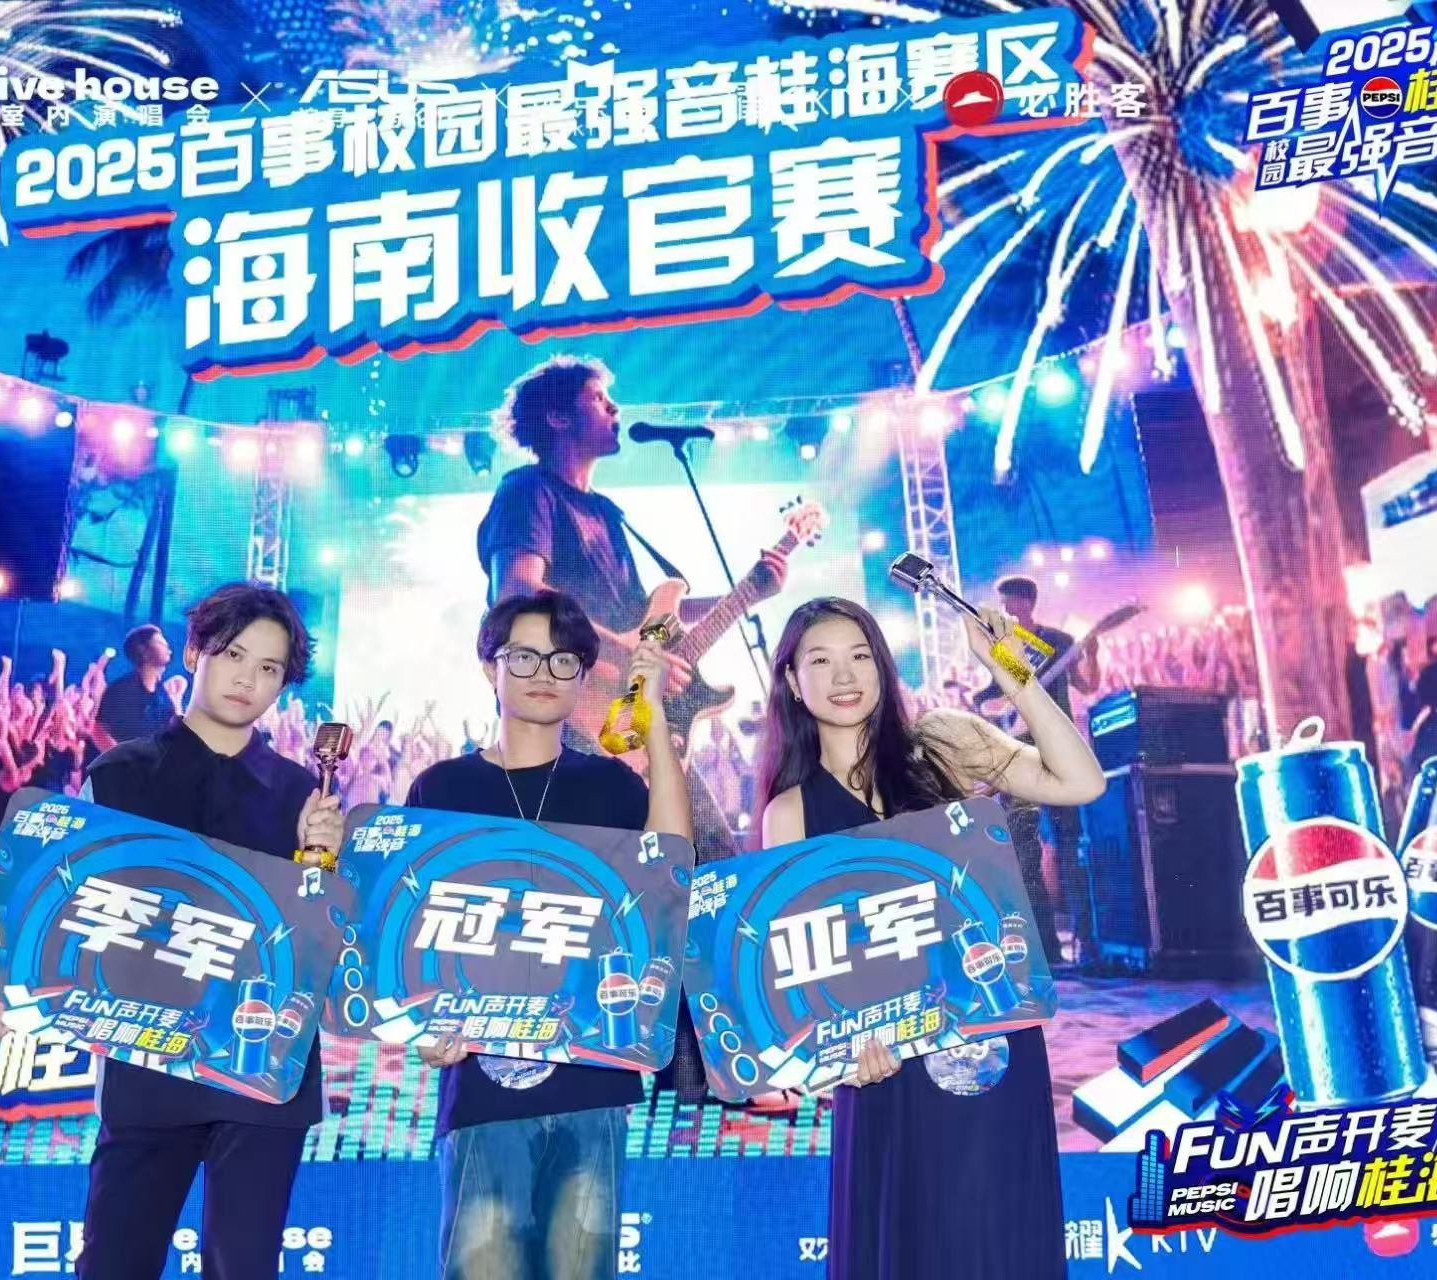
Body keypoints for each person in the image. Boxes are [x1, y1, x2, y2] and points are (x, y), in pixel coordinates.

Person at [0, 583, 345, 1280]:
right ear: (194, 652)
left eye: (268, 668)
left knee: (244, 1266)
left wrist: (325, 864)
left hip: (260, 1068)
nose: (246, 680)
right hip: (146, 1064)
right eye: (233, 655)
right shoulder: (120, 778)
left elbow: (319, 942)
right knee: (114, 1262)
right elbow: (55, 900)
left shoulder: (301, 797)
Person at [756, 596, 1105, 1280]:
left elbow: (1081, 781)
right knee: (911, 1246)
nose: (844, 676)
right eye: (820, 661)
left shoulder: (942, 744)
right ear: (793, 682)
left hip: (989, 1044)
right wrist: (838, 1060)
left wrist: (1009, 671)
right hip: (885, 1065)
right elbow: (802, 972)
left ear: (883, 667)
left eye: (860, 656)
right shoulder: (788, 812)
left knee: (997, 1241)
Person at [406, 590, 691, 1280]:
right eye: (524, 656)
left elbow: (670, 868)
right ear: (489, 667)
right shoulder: (440, 789)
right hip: (481, 1085)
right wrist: (420, 1026)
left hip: (595, 1082)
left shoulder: (611, 786)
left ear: (583, 676)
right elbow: (411, 936)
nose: (543, 673)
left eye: (564, 660)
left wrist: (652, 715)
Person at [475, 356, 787, 858]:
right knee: (603, 872)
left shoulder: (606, 512)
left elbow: (650, 618)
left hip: (637, 716)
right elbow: (517, 592)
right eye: (599, 399)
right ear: (557, 417)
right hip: (570, 721)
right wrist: (624, 654)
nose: (615, 408)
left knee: (714, 863)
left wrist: (752, 590)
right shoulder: (528, 491)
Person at [978, 574, 1099, 961]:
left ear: (1027, 603)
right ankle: (1047, 948)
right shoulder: (1002, 647)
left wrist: (1092, 654)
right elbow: (990, 698)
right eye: (1001, 604)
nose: (1004, 610)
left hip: (1059, 747)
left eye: (1008, 602)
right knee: (1025, 849)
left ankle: (1087, 941)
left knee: (1070, 844)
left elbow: (1088, 686)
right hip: (1019, 753)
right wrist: (991, 707)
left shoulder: (1060, 642)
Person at [91, 624, 175, 752]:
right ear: (143, 651)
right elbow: (98, 730)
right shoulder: (122, 690)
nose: (167, 646)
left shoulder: (162, 695)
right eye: (160, 642)